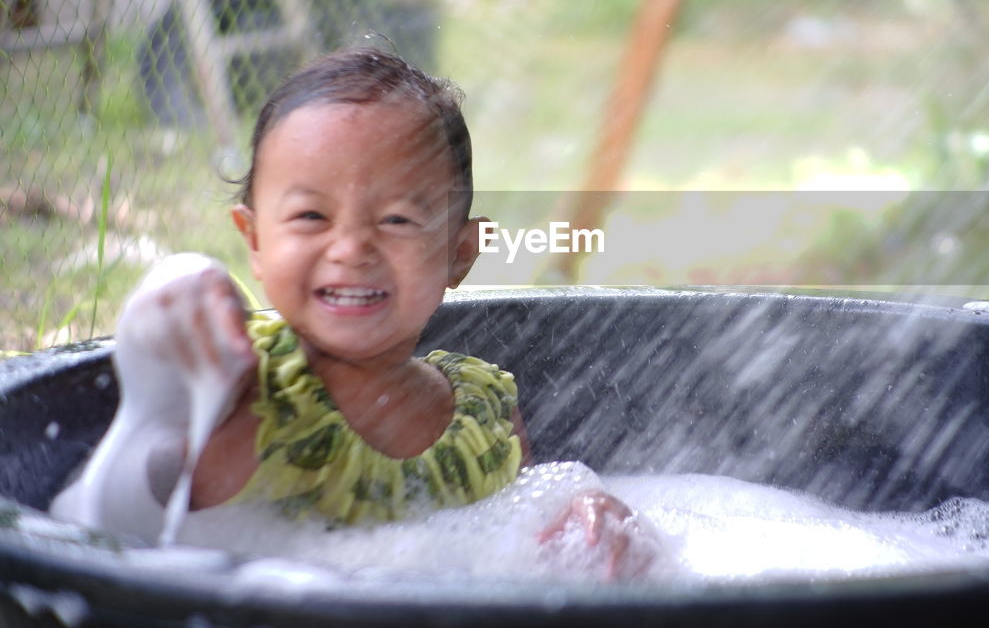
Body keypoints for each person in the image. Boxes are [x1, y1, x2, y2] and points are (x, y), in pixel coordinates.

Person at [74, 48, 648, 578]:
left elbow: (530, 520)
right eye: (310, 217)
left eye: (396, 219)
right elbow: (151, 508)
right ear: (254, 240)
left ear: (460, 254)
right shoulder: (249, 381)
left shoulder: (484, 410)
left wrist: (587, 512)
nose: (351, 248)